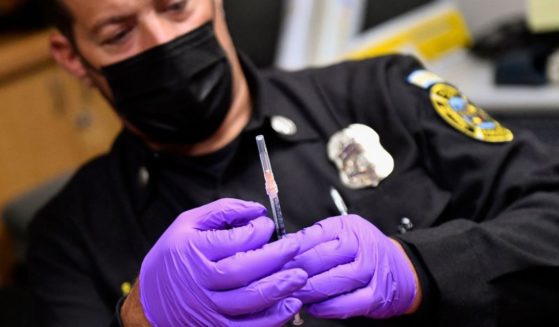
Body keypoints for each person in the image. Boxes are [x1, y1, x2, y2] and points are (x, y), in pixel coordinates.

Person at [27, 0, 559, 326]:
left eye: (175, 6)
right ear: (72, 56)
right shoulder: (69, 236)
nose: (163, 42)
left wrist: (422, 270)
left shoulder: (384, 94)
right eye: (119, 34)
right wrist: (142, 320)